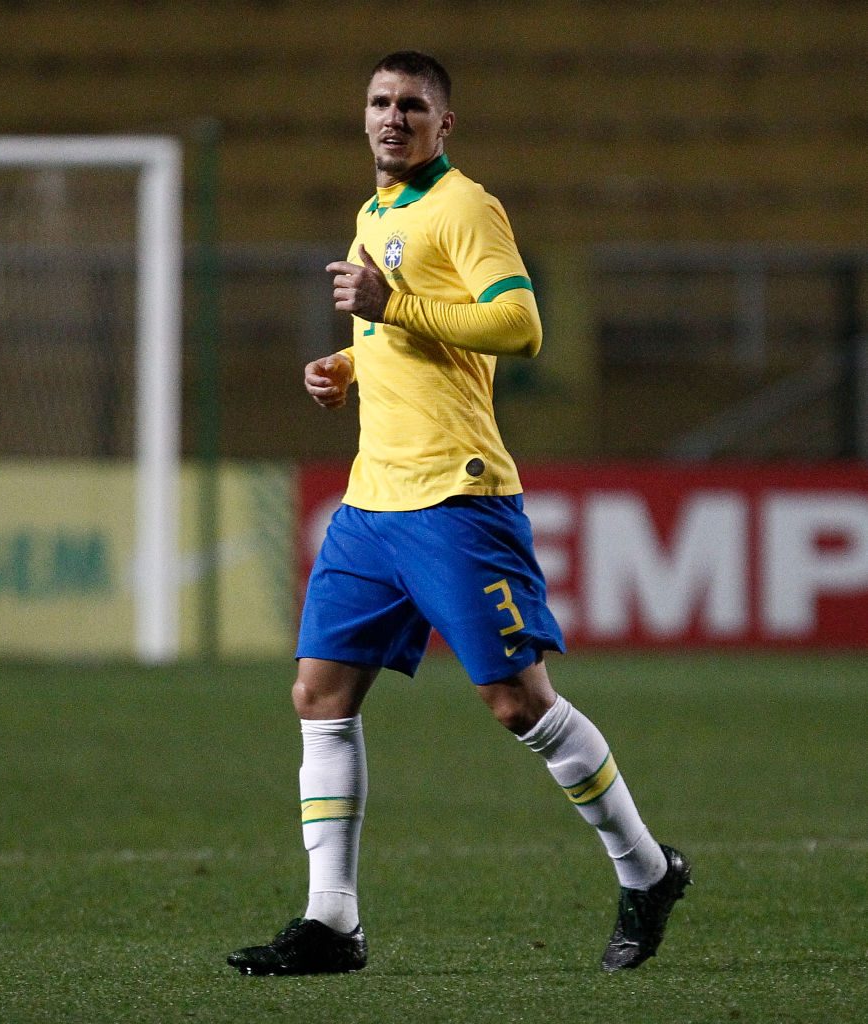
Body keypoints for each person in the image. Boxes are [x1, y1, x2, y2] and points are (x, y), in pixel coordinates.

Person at [227, 50, 690, 978]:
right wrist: (347, 366)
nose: (391, 118)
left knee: (517, 701)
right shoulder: (376, 212)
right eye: (378, 102)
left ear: (445, 124)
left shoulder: (467, 207)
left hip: (455, 493)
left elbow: (518, 325)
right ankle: (332, 923)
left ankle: (646, 870)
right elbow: (399, 331)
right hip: (371, 499)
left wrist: (390, 301)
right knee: (319, 696)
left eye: (411, 106)